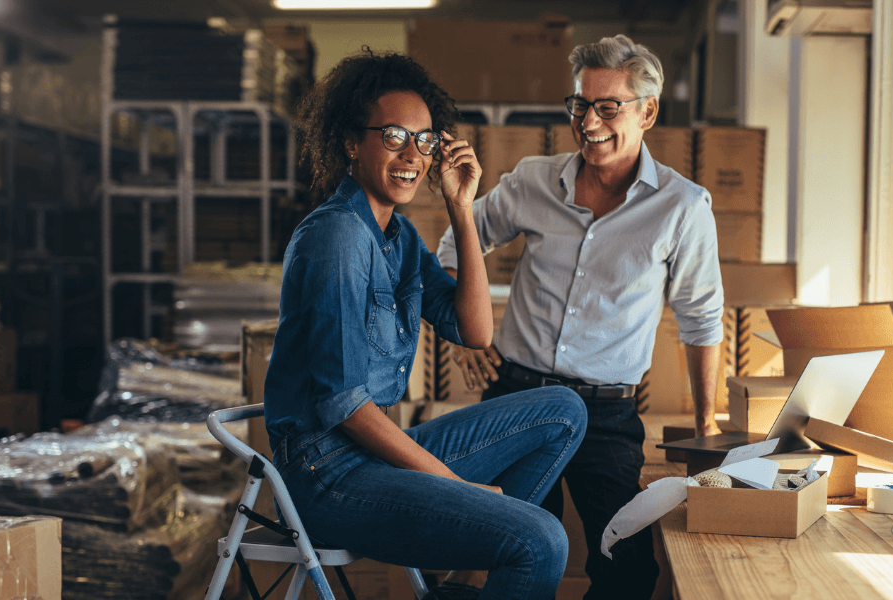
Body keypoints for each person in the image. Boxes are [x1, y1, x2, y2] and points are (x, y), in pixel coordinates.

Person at [263, 49, 588, 600]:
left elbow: (475, 332)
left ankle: (460, 583)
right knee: (541, 542)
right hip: (326, 479)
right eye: (393, 136)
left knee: (563, 410)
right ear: (350, 142)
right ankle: (477, 554)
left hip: (368, 456)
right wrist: (459, 488)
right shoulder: (337, 237)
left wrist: (463, 209)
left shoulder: (400, 237)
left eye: (425, 139)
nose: (413, 153)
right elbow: (343, 406)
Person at [436, 35, 725, 599]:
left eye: (607, 107)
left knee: (628, 566)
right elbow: (453, 248)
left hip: (606, 414)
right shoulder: (533, 181)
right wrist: (465, 339)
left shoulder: (682, 206)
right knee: (509, 558)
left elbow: (701, 318)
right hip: (515, 400)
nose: (588, 121)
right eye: (579, 105)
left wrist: (707, 422)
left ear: (648, 111)